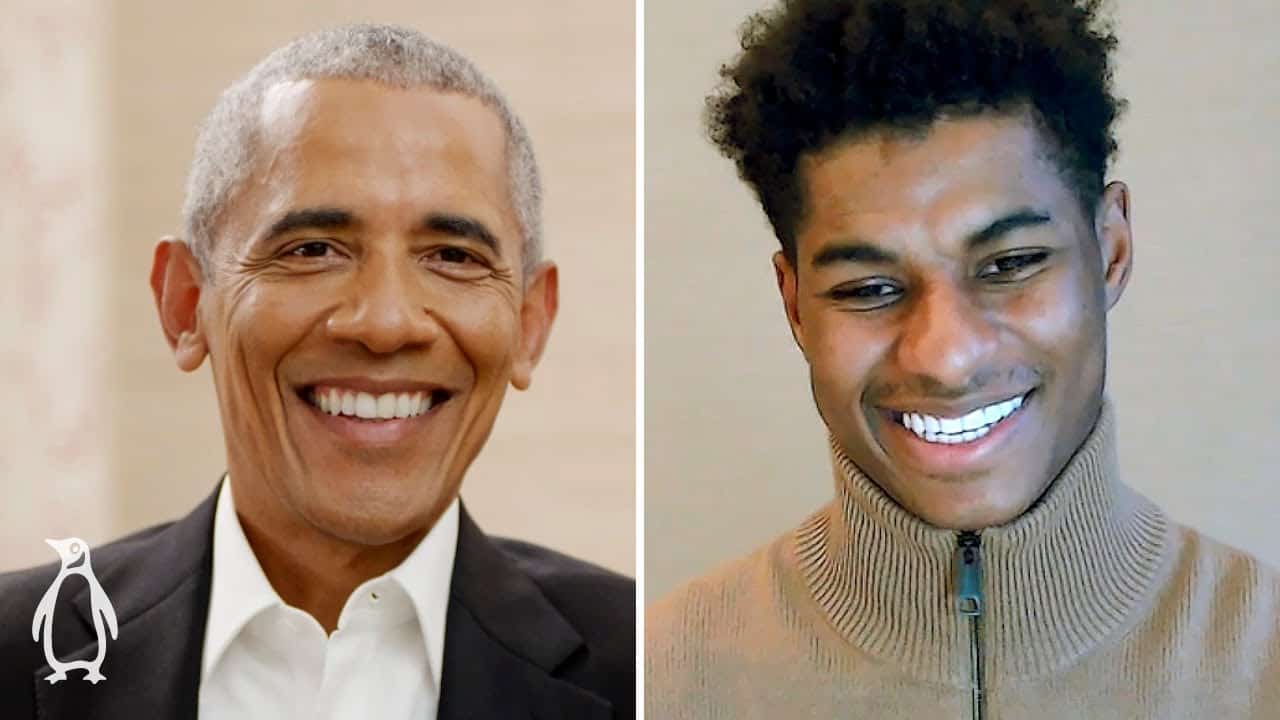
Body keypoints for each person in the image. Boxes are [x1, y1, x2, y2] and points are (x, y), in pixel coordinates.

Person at [646, 1, 1280, 718]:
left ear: (1112, 249)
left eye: (1010, 263)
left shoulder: (1265, 660)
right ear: (795, 305)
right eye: (869, 288)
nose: (946, 358)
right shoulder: (663, 677)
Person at [0, 24, 633, 719]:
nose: (386, 322)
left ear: (529, 323)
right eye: (312, 249)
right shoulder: (18, 648)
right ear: (186, 304)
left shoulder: (644, 670)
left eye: (452, 256)